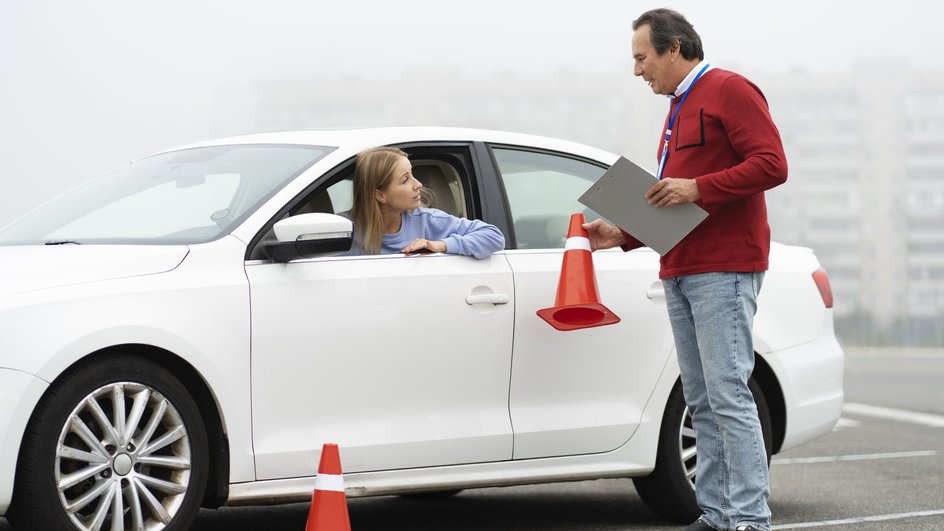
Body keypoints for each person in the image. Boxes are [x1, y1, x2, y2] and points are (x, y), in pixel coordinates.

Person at [583, 9, 787, 531]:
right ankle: (718, 515)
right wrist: (622, 233)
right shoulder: (678, 106)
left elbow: (772, 164)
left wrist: (699, 186)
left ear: (674, 49)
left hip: (724, 267)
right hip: (680, 268)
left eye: (642, 58)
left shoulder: (730, 89)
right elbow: (673, 201)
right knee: (701, 398)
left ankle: (749, 517)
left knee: (727, 393)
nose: (637, 71)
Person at [347, 146, 504, 259]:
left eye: (412, 174)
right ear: (380, 195)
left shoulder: (428, 220)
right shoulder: (343, 230)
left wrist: (439, 245)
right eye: (405, 179)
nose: (418, 184)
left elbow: (494, 236)